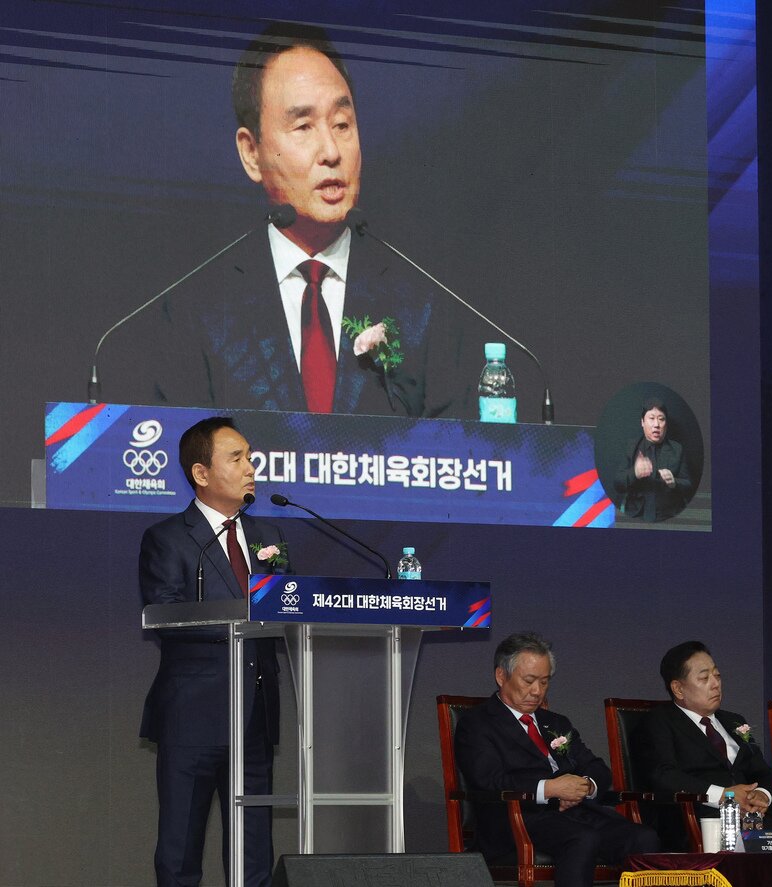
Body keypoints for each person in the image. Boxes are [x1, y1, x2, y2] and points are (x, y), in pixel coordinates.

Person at [135, 22, 464, 416]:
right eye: (304, 127)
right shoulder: (198, 311)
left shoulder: (422, 304)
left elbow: (458, 446)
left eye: (342, 125)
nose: (331, 151)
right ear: (252, 153)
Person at [139, 416, 287, 887]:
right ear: (201, 473)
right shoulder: (168, 538)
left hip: (255, 716)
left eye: (250, 457)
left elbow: (288, 609)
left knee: (254, 853)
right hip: (193, 715)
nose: (250, 468)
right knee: (180, 853)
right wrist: (239, 620)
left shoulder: (268, 536)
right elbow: (166, 616)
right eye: (236, 458)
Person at [456, 632, 659, 887]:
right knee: (582, 838)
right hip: (517, 818)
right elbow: (489, 780)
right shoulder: (477, 723)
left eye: (544, 682)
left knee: (642, 837)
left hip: (575, 812)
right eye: (529, 681)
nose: (537, 691)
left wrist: (585, 786)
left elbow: (597, 768)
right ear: (501, 676)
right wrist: (551, 789)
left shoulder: (556, 723)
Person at [631, 641, 772, 850]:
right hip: (700, 821)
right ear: (678, 688)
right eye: (704, 678)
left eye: (717, 675)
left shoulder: (734, 721)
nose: (716, 684)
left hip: (752, 820)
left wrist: (761, 795)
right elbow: (664, 775)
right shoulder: (659, 722)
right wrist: (724, 796)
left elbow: (763, 771)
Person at [615, 398, 692, 521]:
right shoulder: (631, 447)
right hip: (636, 515)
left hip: (668, 516)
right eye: (651, 418)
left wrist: (674, 483)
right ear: (642, 422)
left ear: (666, 423)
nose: (656, 424)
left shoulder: (677, 449)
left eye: (661, 419)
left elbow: (688, 485)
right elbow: (618, 484)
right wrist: (635, 473)